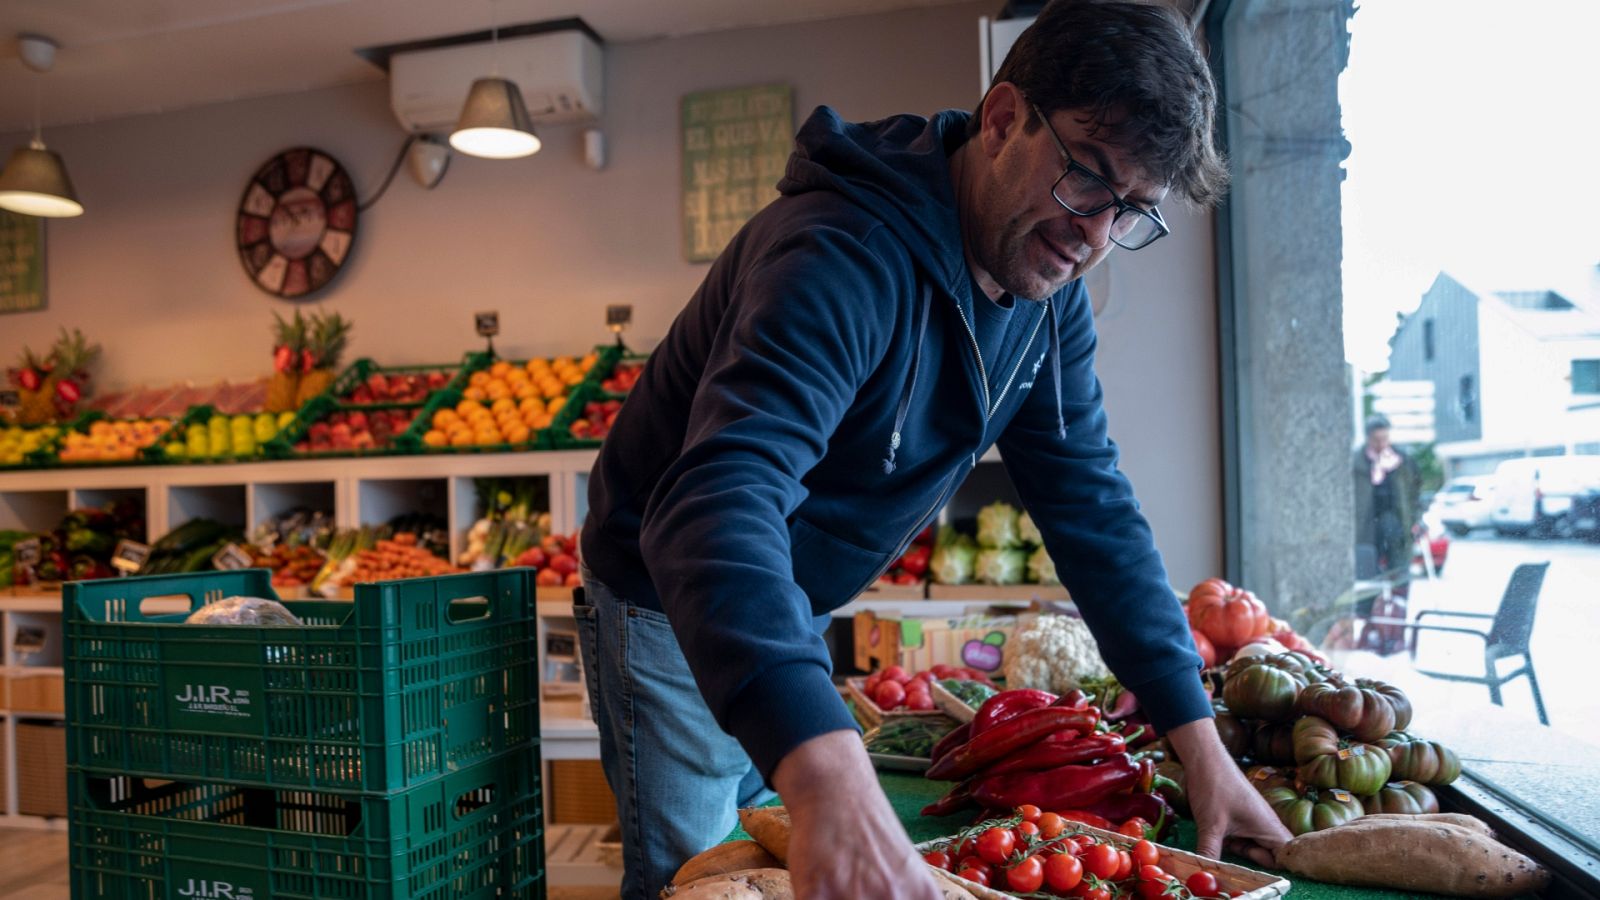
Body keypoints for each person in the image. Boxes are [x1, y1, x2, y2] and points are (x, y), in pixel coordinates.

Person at [577, 2, 1291, 896]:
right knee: (696, 880)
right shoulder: (840, 256)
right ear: (1001, 120)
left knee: (769, 867)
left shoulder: (1047, 300)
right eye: (1086, 180)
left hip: (779, 602)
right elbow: (715, 505)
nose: (1094, 236)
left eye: (1131, 213)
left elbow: (1090, 505)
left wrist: (1199, 739)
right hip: (663, 598)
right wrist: (830, 777)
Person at [1351, 413, 1421, 654]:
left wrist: (1416, 521)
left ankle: (1395, 633)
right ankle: (1368, 631)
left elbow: (1414, 492)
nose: (1381, 444)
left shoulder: (1402, 460)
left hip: (1397, 528)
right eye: (1376, 439)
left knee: (1400, 579)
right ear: (1368, 438)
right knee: (1367, 581)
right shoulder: (1358, 462)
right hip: (1367, 530)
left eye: (1385, 438)